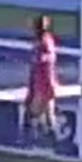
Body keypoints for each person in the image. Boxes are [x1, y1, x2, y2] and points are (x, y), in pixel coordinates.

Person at [25, 15, 59, 147]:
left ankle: (33, 140)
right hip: (38, 80)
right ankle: (50, 139)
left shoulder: (46, 40)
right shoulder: (39, 41)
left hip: (45, 81)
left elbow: (50, 56)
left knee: (35, 111)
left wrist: (40, 58)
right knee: (47, 113)